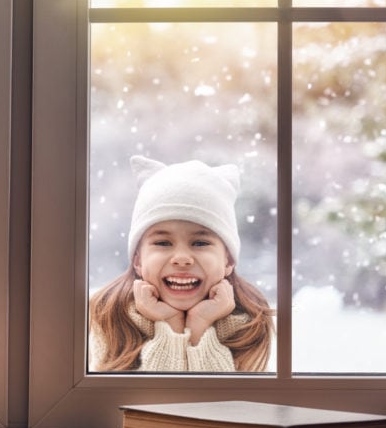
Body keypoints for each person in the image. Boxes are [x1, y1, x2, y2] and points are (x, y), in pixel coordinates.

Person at [88, 156, 273, 372]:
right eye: (163, 243)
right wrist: (171, 324)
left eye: (200, 242)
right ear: (138, 260)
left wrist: (200, 327)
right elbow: (150, 402)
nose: (182, 258)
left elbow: (221, 403)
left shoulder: (248, 321)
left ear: (228, 260)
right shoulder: (112, 314)